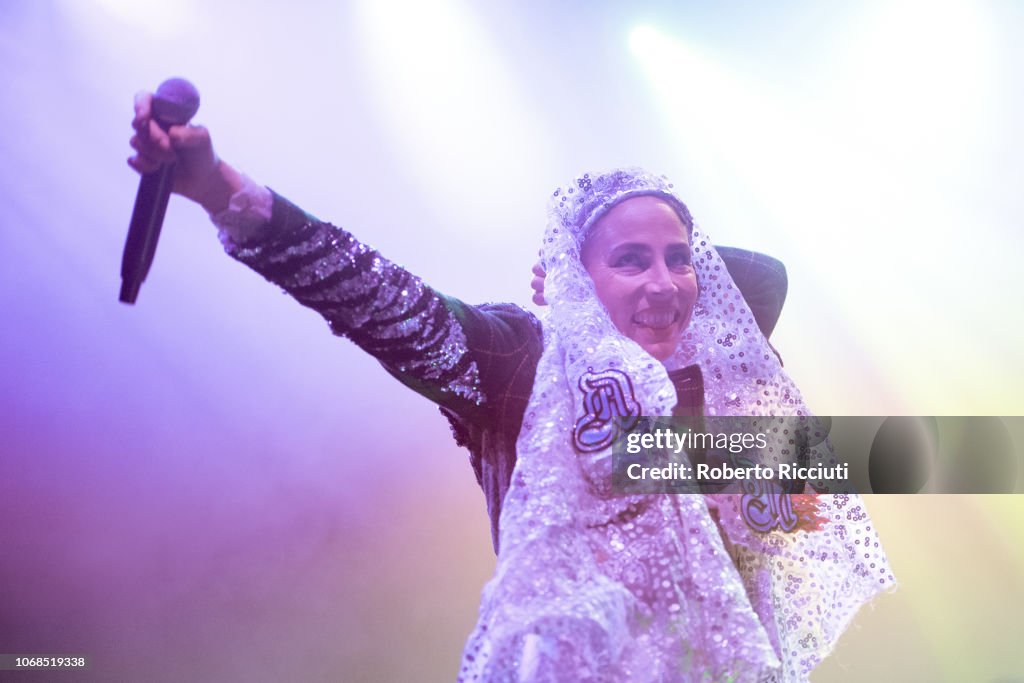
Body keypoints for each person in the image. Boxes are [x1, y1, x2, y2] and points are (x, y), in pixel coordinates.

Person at [129, 92, 894, 682]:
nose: (664, 283)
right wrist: (222, 189)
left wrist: (609, 260)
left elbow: (761, 279)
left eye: (678, 257)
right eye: (631, 259)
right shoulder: (521, 366)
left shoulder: (721, 391)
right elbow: (382, 302)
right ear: (576, 277)